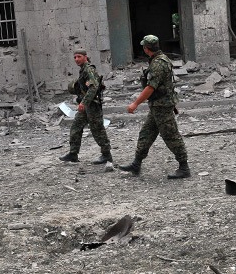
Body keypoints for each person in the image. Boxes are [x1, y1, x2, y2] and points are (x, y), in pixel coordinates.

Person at [118, 35, 190, 179]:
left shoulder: (158, 63)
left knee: (171, 135)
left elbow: (151, 87)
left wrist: (135, 103)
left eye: (143, 47)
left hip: (162, 106)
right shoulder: (157, 60)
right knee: (146, 133)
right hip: (157, 106)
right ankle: (136, 164)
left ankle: (184, 167)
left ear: (146, 48)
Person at [59, 49, 113, 165]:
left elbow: (93, 87)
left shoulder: (89, 69)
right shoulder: (83, 70)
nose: (76, 59)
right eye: (75, 57)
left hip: (92, 105)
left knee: (97, 129)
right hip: (86, 105)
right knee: (76, 127)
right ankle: (73, 154)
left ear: (85, 57)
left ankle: (107, 155)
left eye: (79, 56)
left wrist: (84, 103)